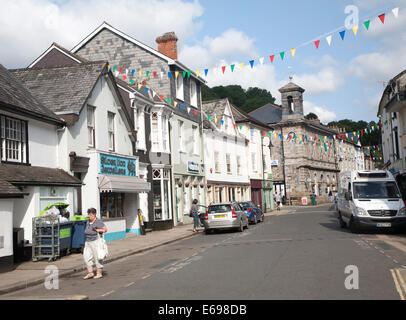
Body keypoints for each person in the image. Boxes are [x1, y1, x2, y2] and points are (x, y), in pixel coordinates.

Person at [83, 208, 107, 280]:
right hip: (87, 242)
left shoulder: (98, 221)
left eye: (90, 215)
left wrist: (97, 230)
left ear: (94, 214)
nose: (89, 216)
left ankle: (99, 273)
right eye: (88, 214)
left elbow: (105, 229)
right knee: (86, 257)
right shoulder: (88, 221)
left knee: (97, 258)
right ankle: (90, 273)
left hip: (96, 242)